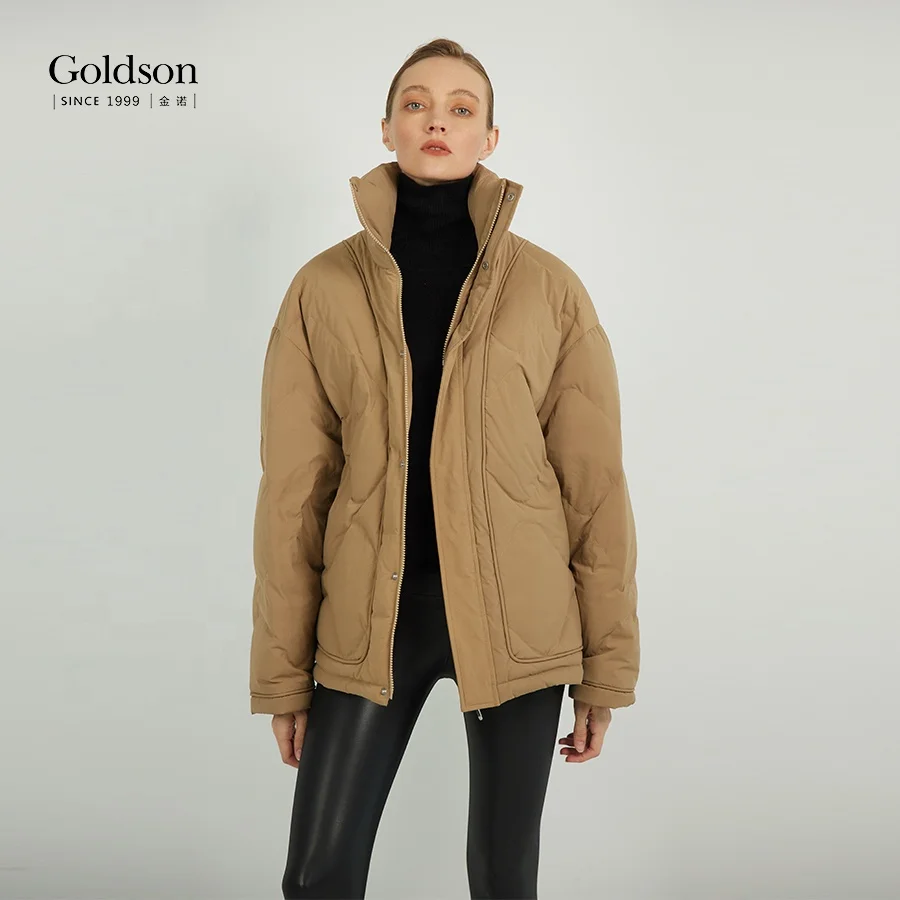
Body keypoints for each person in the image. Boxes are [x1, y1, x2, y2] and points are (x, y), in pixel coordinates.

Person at [249, 37, 640, 900]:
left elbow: (594, 489)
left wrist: (605, 670)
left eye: (462, 108)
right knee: (316, 876)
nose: (438, 120)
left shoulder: (550, 290)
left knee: (503, 879)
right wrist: (282, 675)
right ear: (387, 127)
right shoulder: (322, 289)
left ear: (489, 138)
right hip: (369, 616)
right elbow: (292, 496)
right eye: (417, 104)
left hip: (520, 618)